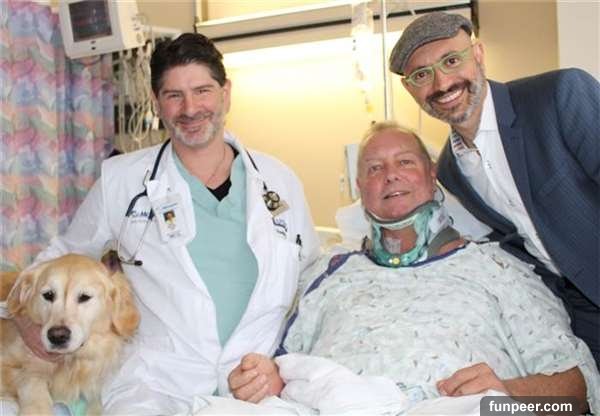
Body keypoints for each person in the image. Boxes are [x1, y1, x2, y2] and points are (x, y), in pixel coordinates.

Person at [5, 33, 320, 415]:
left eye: (202, 91)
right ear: (157, 103)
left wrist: (282, 367)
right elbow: (60, 259)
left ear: (226, 94)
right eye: (174, 95)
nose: (190, 108)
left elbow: (312, 290)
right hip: (155, 383)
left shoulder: (280, 181)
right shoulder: (121, 181)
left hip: (253, 384)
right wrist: (27, 322)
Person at [227, 122, 599, 414]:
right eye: (375, 168)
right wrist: (265, 377)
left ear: (431, 174)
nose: (390, 175)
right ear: (360, 187)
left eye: (405, 162)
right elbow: (282, 368)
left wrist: (509, 395)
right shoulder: (328, 274)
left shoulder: (500, 270)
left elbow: (579, 396)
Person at [388, 12, 600, 366]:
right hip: (583, 315)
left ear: (479, 54)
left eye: (451, 61)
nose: (442, 83)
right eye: (422, 75)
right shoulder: (452, 171)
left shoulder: (559, 96)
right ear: (410, 89)